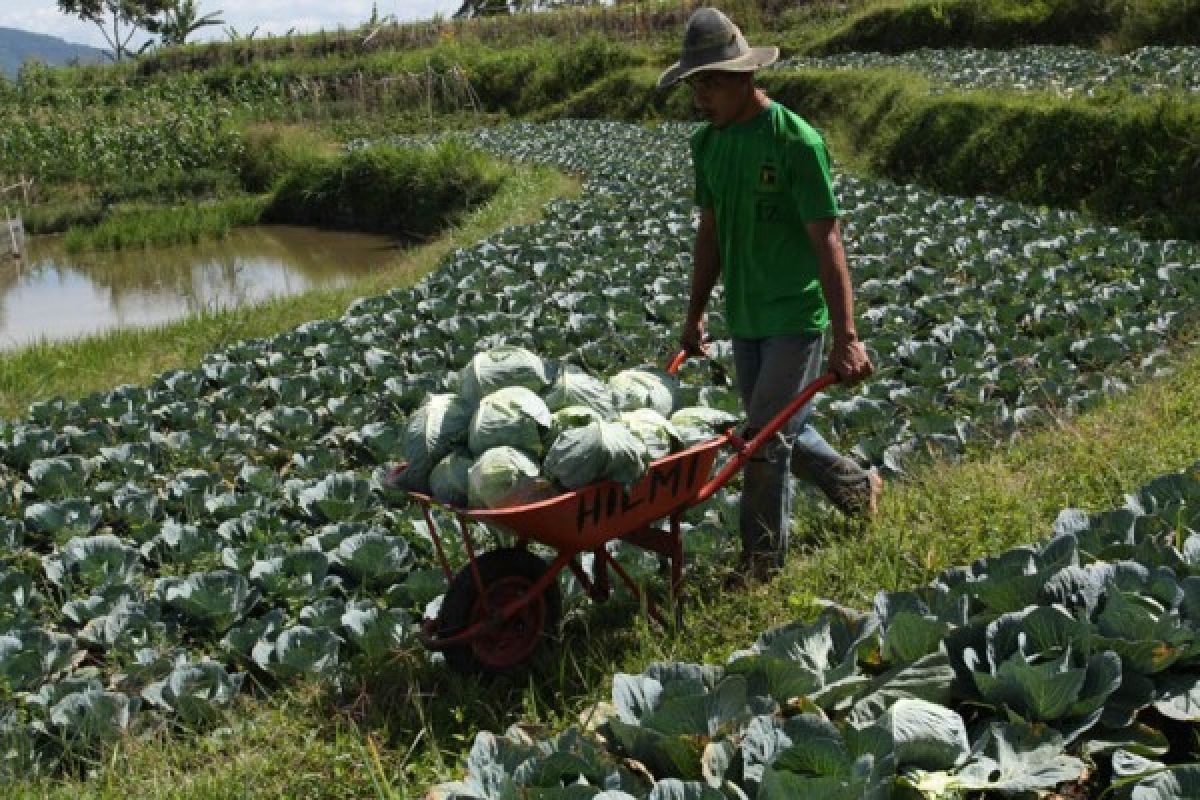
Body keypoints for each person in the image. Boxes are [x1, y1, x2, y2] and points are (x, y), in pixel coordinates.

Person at [658, 7, 882, 584]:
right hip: (746, 316)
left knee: (759, 441)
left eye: (709, 82)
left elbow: (827, 240)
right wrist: (696, 313)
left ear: (742, 77)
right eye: (694, 84)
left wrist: (848, 338)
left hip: (794, 315)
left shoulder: (795, 141)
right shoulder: (708, 146)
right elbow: (711, 232)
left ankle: (761, 564)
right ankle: (858, 486)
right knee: (777, 428)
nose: (699, 96)